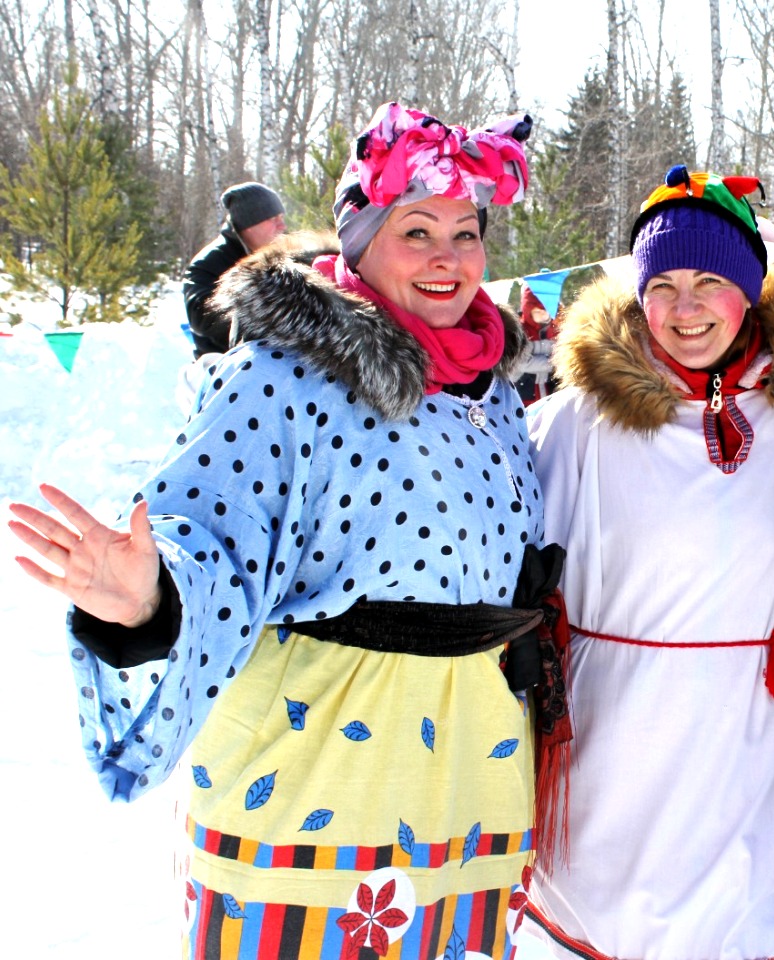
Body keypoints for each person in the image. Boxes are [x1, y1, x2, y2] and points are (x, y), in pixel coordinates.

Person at [8, 102, 554, 959]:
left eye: (465, 232)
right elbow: (208, 539)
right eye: (417, 231)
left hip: (471, 779)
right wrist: (148, 599)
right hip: (319, 771)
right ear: (361, 241)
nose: (448, 259)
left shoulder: (492, 395)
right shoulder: (280, 377)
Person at [514, 166, 774, 959]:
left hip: (756, 735)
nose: (686, 308)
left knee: (744, 918)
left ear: (752, 290)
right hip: (613, 732)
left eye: (711, 282)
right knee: (598, 916)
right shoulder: (574, 421)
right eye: (663, 284)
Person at [183, 181, 288, 357]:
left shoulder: (284, 256)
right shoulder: (208, 263)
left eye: (282, 218)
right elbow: (203, 319)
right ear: (249, 224)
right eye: (273, 219)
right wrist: (274, 322)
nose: (282, 226)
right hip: (222, 369)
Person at [514, 282, 559, 405]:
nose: (544, 315)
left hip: (552, 390)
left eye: (547, 310)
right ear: (528, 311)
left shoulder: (557, 328)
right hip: (525, 393)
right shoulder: (519, 330)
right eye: (538, 311)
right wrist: (555, 363)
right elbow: (522, 362)